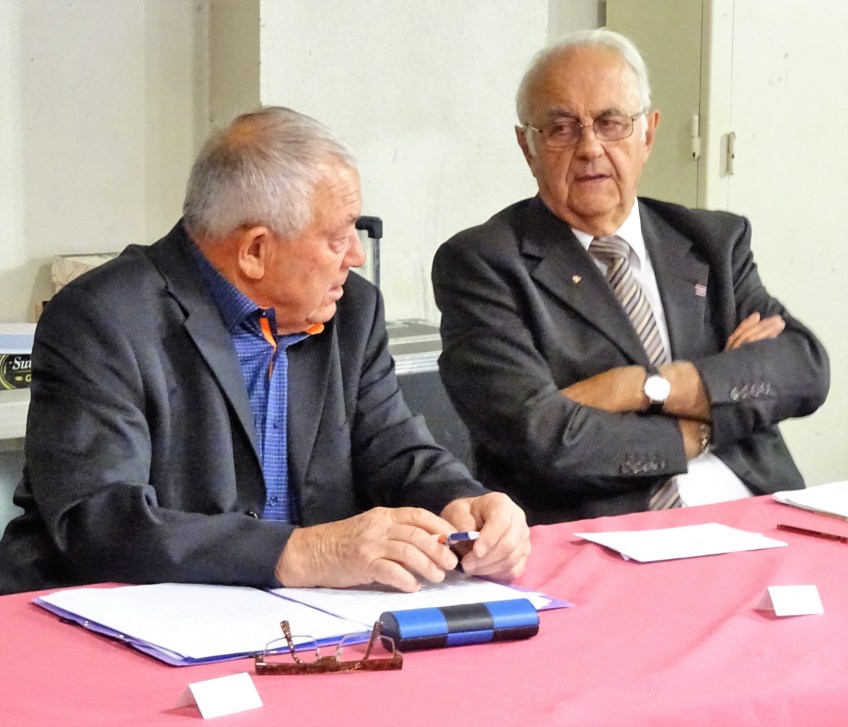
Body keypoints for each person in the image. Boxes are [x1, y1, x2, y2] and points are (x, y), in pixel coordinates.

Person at [0, 106, 530, 595]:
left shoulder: (351, 310)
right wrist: (300, 551)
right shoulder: (103, 319)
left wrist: (464, 503)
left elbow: (394, 451)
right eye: (337, 238)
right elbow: (99, 519)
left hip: (303, 619)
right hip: (114, 616)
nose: (355, 257)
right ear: (255, 250)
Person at [431, 29, 829, 524]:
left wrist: (643, 387)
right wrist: (709, 418)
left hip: (758, 509)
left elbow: (802, 370)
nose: (590, 148)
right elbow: (542, 437)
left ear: (648, 133)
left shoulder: (713, 241)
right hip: (608, 530)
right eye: (561, 128)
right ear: (527, 146)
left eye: (611, 122)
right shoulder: (484, 264)